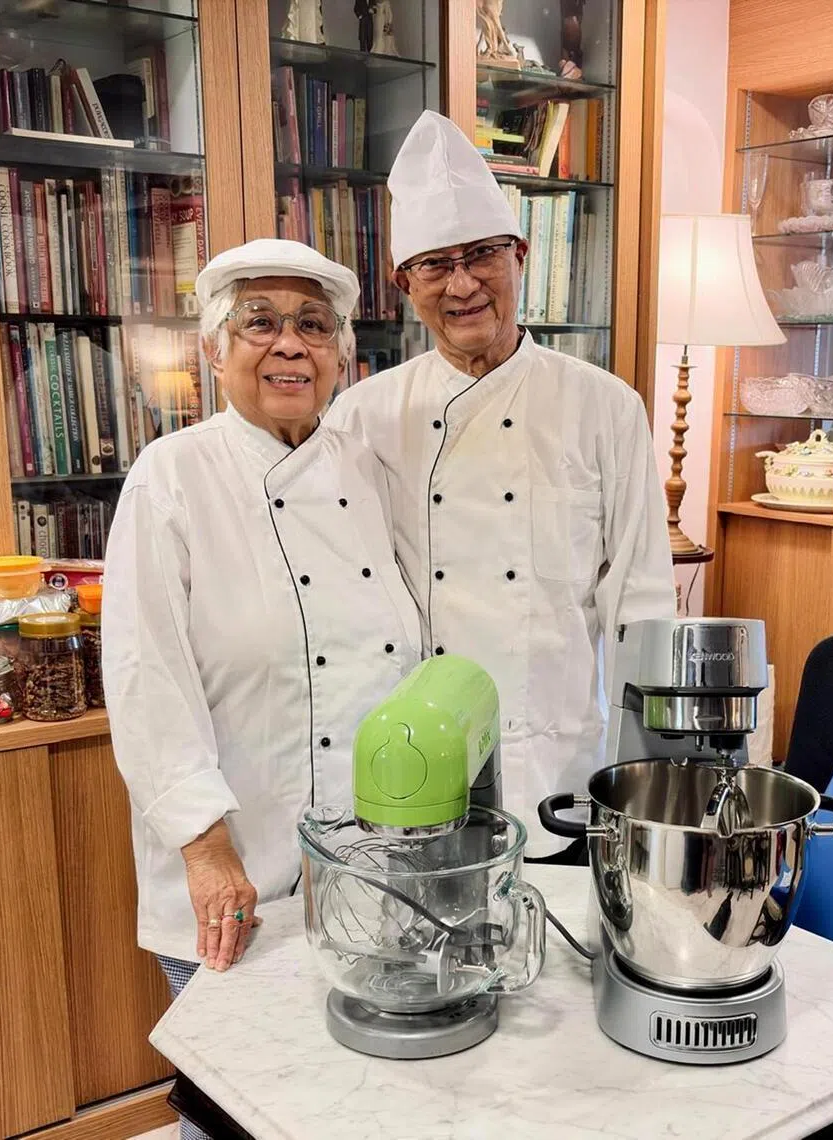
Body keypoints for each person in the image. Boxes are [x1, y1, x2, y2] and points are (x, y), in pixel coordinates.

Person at [102, 239, 422, 1138]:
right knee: (240, 1112)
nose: (290, 346)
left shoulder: (366, 471)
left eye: (314, 326)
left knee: (355, 1106)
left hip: (367, 873)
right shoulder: (172, 478)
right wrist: (206, 854)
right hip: (233, 875)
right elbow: (144, 681)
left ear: (342, 355)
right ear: (213, 349)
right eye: (261, 323)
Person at [325, 111, 676, 861]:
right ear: (403, 284)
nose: (462, 283)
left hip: (566, 771)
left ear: (520, 254)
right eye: (434, 264)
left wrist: (650, 776)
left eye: (482, 254)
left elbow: (641, 601)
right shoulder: (361, 417)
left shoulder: (606, 405)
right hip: (415, 775)